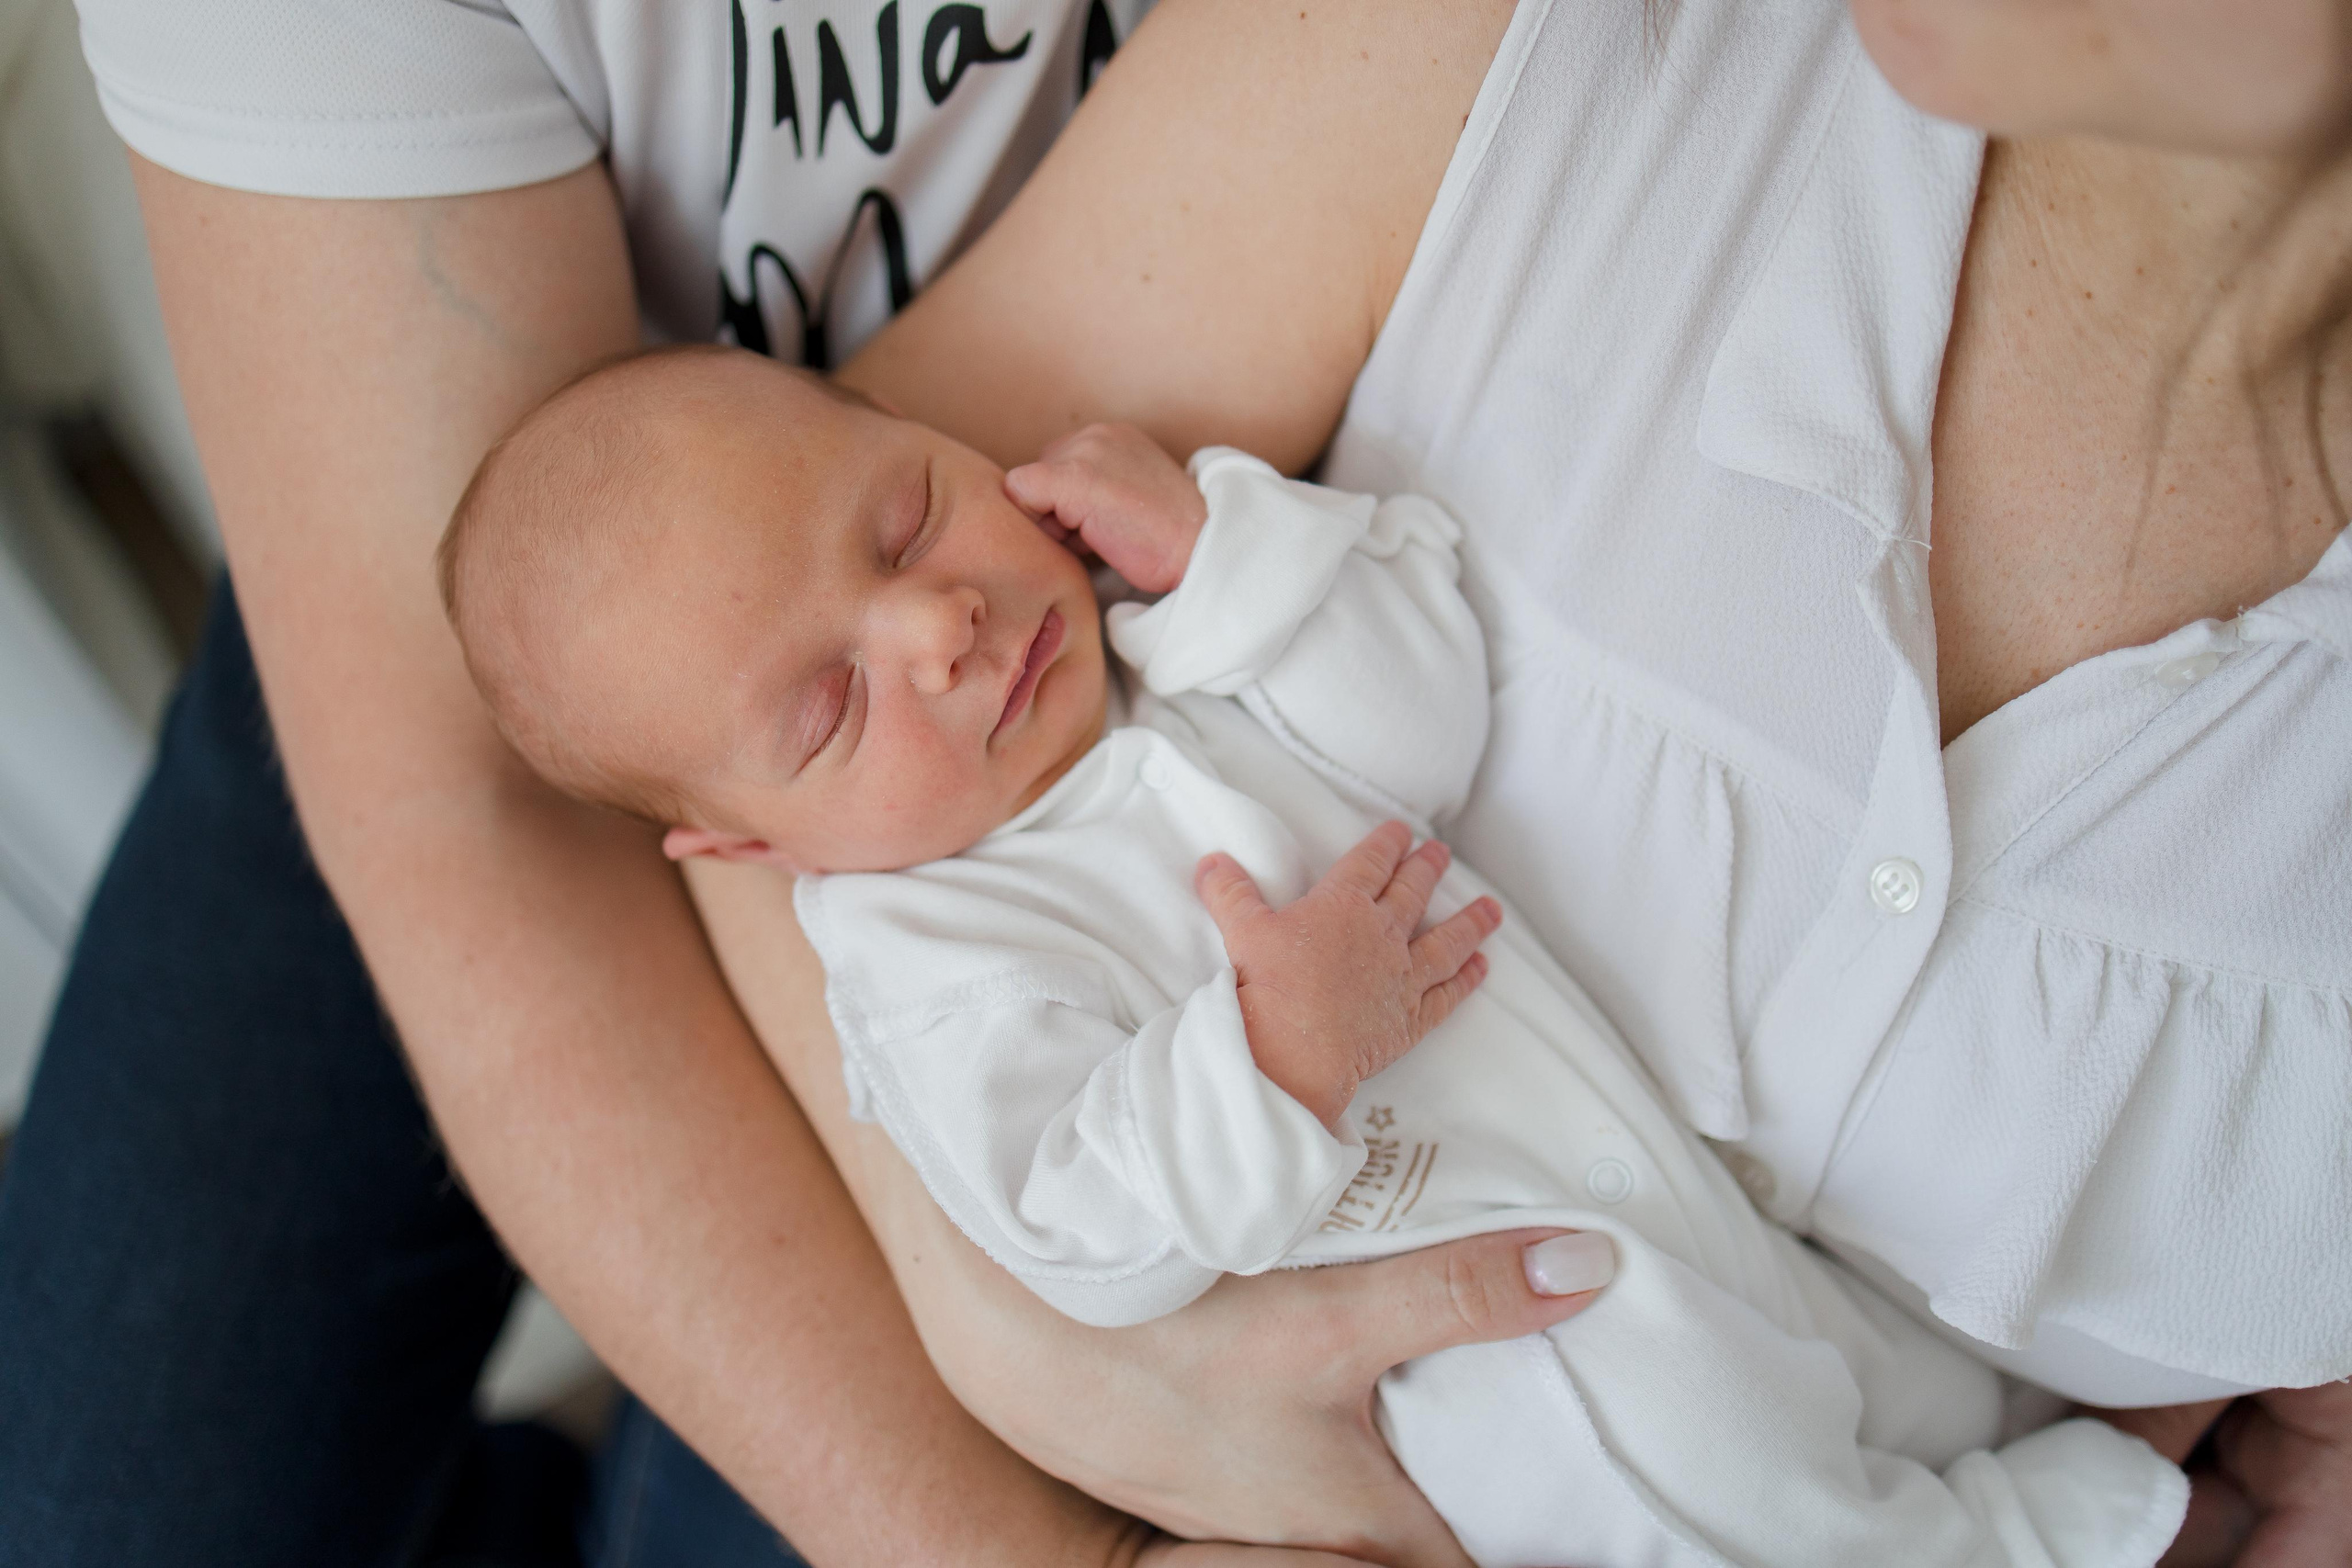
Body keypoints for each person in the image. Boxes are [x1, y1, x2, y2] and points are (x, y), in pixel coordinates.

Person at [5, 0, 2344, 1562]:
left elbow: (1372, 668)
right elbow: (490, 837)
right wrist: (1062, 1529)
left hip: (1021, 485)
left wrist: (1167, 562)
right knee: (106, 1486)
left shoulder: (1100, 569)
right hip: (583, 640)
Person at [441, 344, 2188, 1568]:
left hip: (1663, 1180)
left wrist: (1232, 563)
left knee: (1894, 1371)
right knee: (1716, 1483)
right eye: (830, 708)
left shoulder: (1158, 627)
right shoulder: (925, 957)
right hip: (1509, 1367)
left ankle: (2044, 1474)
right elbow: (1075, 1224)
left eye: (901, 519)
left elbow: (1420, 715)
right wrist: (1272, 1057)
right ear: (748, 848)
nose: (936, 627)